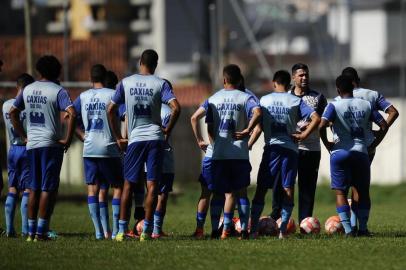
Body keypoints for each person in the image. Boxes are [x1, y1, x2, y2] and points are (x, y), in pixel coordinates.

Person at [107, 49, 181, 241]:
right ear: (155, 65)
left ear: (140, 61)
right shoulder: (161, 83)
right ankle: (147, 232)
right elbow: (176, 108)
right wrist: (166, 131)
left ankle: (122, 231)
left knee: (128, 185)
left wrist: (117, 136)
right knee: (152, 186)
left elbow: (110, 109)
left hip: (135, 139)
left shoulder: (126, 82)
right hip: (156, 139)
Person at [9, 55, 76, 241]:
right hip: (51, 145)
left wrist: (24, 135)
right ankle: (41, 231)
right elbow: (72, 113)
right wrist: (68, 139)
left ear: (39, 71)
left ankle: (30, 233)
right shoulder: (58, 91)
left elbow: (13, 112)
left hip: (32, 145)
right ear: (57, 72)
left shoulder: (28, 89)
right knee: (48, 188)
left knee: (33, 188)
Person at [249, 70, 320, 239]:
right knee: (288, 188)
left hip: (271, 149)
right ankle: (282, 232)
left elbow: (258, 124)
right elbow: (316, 118)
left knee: (261, 188)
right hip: (290, 150)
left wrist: (248, 140)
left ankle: (252, 231)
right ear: (289, 85)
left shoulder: (264, 100)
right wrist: (303, 135)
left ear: (274, 83)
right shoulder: (295, 100)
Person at [319, 75, 388, 236]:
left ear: (337, 89)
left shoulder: (333, 105)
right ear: (353, 87)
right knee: (362, 191)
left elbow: (321, 125)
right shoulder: (366, 104)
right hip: (360, 152)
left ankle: (349, 231)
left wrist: (327, 143)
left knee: (340, 192)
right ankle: (363, 229)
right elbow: (383, 125)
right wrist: (374, 142)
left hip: (339, 152)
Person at [205, 64, 261, 240]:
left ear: (224, 80)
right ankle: (244, 230)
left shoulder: (213, 98)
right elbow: (258, 112)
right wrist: (247, 130)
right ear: (240, 80)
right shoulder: (246, 98)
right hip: (239, 153)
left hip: (219, 154)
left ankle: (216, 229)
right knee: (241, 192)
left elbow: (209, 124)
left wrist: (215, 143)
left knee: (218, 193)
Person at [340, 67, 399, 233]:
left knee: (345, 189)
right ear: (357, 79)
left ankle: (350, 226)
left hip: (344, 147)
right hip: (366, 147)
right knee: (361, 187)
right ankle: (363, 228)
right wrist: (377, 138)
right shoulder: (372, 95)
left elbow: (330, 122)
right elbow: (393, 112)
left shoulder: (340, 96)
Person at [73, 64, 123, 240]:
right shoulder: (112, 94)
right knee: (118, 187)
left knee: (94, 190)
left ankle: (99, 232)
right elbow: (124, 114)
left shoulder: (83, 96)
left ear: (90, 78)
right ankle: (116, 231)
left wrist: (81, 135)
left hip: (90, 148)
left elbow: (69, 115)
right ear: (105, 77)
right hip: (109, 147)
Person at [288, 63, 327, 223]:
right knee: (286, 186)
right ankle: (282, 223)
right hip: (289, 148)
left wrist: (314, 128)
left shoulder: (318, 97)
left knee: (307, 188)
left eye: (306, 74)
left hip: (311, 148)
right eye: (301, 75)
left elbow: (325, 121)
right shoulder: (286, 97)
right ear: (293, 77)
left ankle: (305, 223)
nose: (304, 78)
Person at [2, 73, 34, 237]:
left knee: (12, 189)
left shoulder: (6, 105)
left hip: (12, 149)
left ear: (17, 86)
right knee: (27, 189)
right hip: (26, 149)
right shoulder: (28, 105)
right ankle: (25, 230)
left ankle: (9, 229)